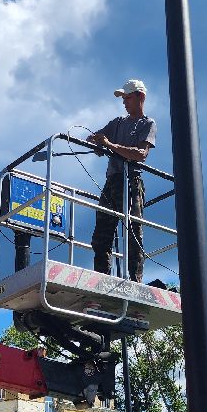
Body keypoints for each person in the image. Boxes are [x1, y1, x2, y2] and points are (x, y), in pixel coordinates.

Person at [88, 79, 156, 283]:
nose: (124, 102)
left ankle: (135, 281)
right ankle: (102, 279)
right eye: (123, 98)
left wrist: (109, 144)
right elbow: (96, 141)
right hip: (112, 182)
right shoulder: (117, 122)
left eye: (127, 97)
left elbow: (141, 154)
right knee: (101, 236)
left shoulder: (147, 123)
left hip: (132, 182)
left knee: (133, 234)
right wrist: (97, 143)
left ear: (140, 97)